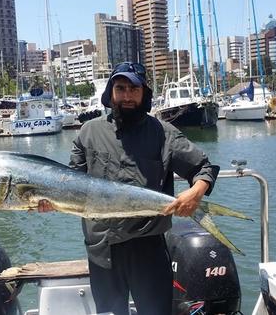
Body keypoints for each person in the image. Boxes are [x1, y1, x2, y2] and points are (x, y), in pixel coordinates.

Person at [39, 62, 219, 315]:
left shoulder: (162, 133)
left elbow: (203, 168)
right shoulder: (88, 132)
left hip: (147, 246)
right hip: (102, 247)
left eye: (134, 89)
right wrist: (50, 199)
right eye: (120, 88)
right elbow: (72, 182)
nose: (127, 96)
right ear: (110, 93)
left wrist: (196, 192)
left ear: (144, 93)